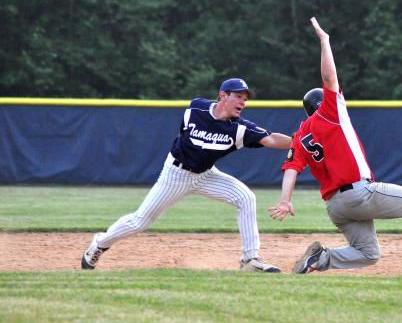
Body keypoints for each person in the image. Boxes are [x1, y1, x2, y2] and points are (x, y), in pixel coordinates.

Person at [268, 18, 402, 274]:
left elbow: (291, 169)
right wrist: (325, 42)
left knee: (368, 253)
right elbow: (329, 76)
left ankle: (320, 259)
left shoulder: (301, 135)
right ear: (323, 103)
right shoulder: (330, 112)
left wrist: (285, 201)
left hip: (335, 207)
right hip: (359, 194)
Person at [81, 78, 292, 272]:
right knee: (141, 221)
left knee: (246, 198)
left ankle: (250, 260)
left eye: (245, 99)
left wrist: (299, 141)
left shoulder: (240, 129)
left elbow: (271, 139)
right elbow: (183, 133)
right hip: (176, 174)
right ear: (223, 95)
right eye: (238, 96)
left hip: (206, 175)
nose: (243, 102)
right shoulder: (196, 108)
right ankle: (100, 243)